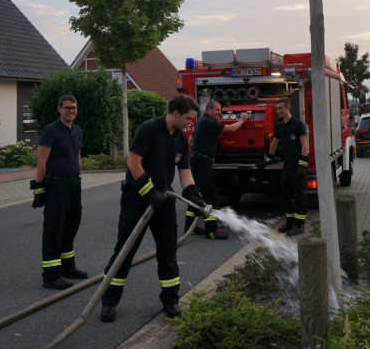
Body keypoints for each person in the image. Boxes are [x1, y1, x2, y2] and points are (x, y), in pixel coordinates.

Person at [100, 94, 207, 323]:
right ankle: (108, 301)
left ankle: (170, 301)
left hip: (164, 199)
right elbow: (133, 162)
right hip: (137, 198)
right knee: (124, 251)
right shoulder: (148, 129)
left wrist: (194, 198)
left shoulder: (180, 139)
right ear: (176, 113)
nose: (191, 122)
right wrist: (149, 192)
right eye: (189, 118)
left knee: (168, 251)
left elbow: (185, 173)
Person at [30, 94, 88, 290]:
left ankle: (67, 267)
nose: (71, 110)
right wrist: (39, 189)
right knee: (54, 230)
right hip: (56, 186)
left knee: (71, 227)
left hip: (73, 184)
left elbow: (77, 156)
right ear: (59, 109)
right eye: (67, 108)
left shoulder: (77, 131)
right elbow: (42, 161)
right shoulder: (51, 131)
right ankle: (51, 275)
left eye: (74, 107)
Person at [184, 100, 249, 239]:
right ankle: (212, 229)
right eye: (217, 110)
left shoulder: (202, 121)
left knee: (197, 193)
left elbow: (191, 139)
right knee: (208, 194)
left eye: (220, 110)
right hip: (203, 161)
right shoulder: (209, 122)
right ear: (209, 110)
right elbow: (231, 129)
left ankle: (191, 226)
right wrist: (243, 119)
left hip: (197, 159)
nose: (220, 112)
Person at [262, 97, 309, 237]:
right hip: (287, 167)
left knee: (299, 196)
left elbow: (305, 144)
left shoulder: (298, 124)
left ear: (287, 108)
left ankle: (299, 225)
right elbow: (274, 142)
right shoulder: (280, 126)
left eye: (280, 108)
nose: (278, 111)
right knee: (286, 195)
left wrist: (303, 164)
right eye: (277, 109)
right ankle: (289, 222)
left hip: (296, 167)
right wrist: (268, 158)